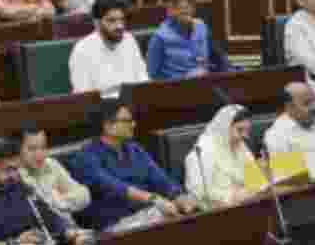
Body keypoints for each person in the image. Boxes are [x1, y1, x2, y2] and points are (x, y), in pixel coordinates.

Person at [67, 97, 198, 232]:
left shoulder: (134, 149)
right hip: (112, 225)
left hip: (146, 214)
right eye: (127, 121)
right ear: (108, 126)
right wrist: (153, 199)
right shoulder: (86, 157)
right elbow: (114, 186)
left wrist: (178, 197)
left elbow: (159, 178)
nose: (133, 124)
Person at [0, 136, 91, 245]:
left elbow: (49, 218)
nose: (14, 176)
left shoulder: (20, 187)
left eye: (16, 169)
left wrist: (70, 234)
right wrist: (16, 242)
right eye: (8, 170)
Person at [68, 0, 150, 94]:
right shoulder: (82, 50)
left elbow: (143, 78)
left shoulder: (129, 40)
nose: (119, 26)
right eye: (112, 21)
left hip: (134, 103)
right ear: (96, 23)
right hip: (103, 107)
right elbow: (84, 95)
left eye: (122, 20)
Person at [185, 104, 261, 209]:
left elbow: (256, 180)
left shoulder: (241, 147)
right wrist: (230, 196)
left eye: (247, 130)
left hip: (247, 206)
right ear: (224, 128)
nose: (245, 136)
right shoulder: (203, 151)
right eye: (239, 130)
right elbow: (197, 193)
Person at [146, 0, 233, 80]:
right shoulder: (160, 37)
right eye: (179, 8)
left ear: (193, 9)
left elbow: (218, 58)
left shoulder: (201, 27)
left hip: (206, 82)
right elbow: (152, 74)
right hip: (177, 88)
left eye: (187, 8)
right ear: (169, 12)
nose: (184, 11)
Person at [18, 127, 91, 227]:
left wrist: (58, 201)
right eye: (32, 149)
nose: (39, 154)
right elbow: (42, 213)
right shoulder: (15, 175)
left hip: (72, 229)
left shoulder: (51, 164)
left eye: (43, 147)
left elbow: (84, 196)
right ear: (18, 150)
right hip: (45, 234)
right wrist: (61, 199)